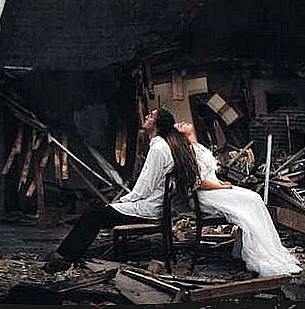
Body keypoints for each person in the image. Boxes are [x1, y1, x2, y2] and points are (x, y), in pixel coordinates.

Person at [43, 108, 199, 273]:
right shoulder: (160, 145)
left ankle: (63, 259)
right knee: (93, 215)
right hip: (149, 204)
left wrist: (122, 201)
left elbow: (145, 188)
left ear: (157, 125)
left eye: (152, 115)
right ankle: (63, 255)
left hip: (148, 208)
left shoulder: (159, 148)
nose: (147, 116)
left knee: (91, 218)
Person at [175, 121, 302, 277]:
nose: (182, 122)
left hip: (213, 188)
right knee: (249, 201)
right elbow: (198, 182)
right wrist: (221, 187)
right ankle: (257, 252)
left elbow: (209, 175)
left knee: (254, 198)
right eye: (178, 125)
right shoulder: (187, 151)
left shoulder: (198, 147)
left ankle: (264, 248)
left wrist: (221, 183)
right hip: (204, 194)